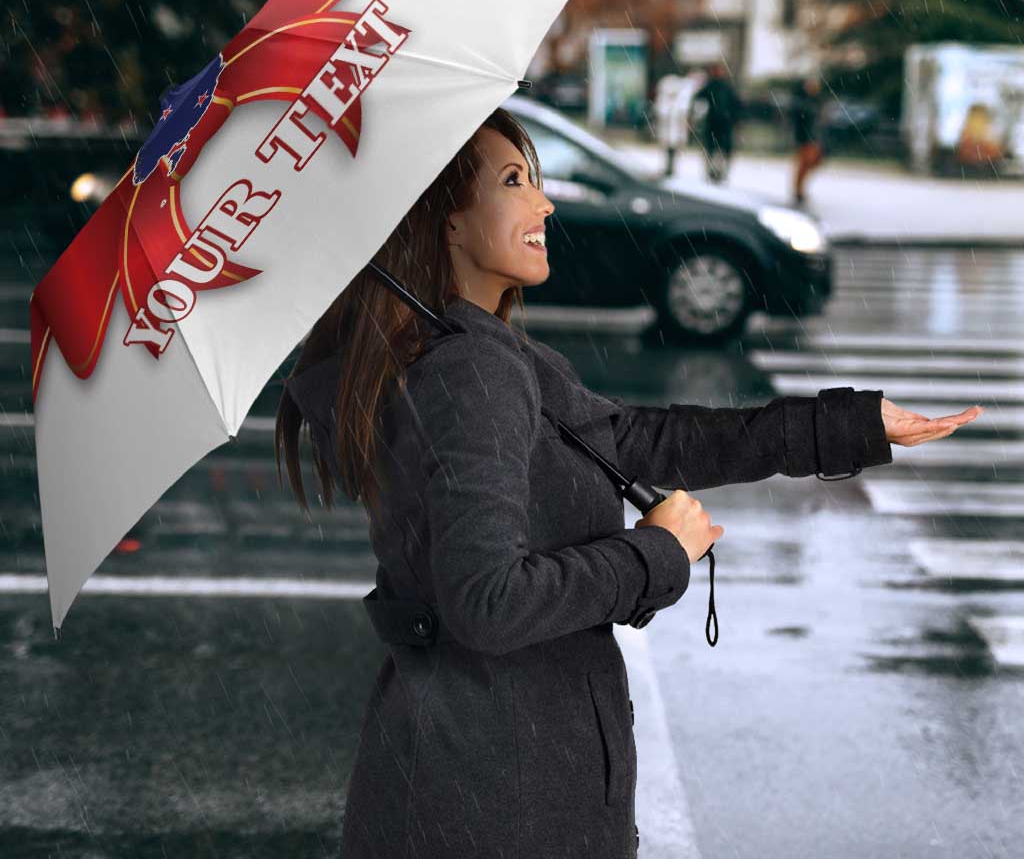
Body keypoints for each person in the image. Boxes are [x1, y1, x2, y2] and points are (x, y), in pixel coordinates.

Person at [275, 107, 980, 859]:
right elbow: (487, 602)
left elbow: (641, 440)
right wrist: (655, 554)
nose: (544, 203)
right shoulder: (470, 372)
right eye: (514, 182)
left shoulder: (477, 353)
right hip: (499, 798)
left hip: (481, 776)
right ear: (445, 222)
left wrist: (849, 426)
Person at [692, 61, 742, 184]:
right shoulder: (712, 86)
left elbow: (736, 105)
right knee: (713, 149)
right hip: (715, 123)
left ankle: (719, 172)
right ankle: (713, 172)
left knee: (720, 150)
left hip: (723, 123)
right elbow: (698, 99)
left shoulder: (725, 87)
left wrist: (735, 119)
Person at [790, 74, 826, 205]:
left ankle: (799, 189)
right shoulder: (802, 102)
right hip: (805, 138)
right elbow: (799, 121)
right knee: (804, 164)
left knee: (812, 163)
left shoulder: (817, 101)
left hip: (814, 138)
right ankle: (798, 190)